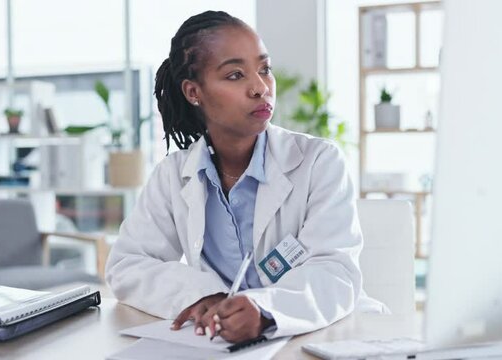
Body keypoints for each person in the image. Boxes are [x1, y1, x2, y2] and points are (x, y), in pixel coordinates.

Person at [105, 10, 384, 344]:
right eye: (236, 75)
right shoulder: (173, 175)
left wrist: (264, 311)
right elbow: (127, 265)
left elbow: (335, 273)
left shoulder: (319, 162)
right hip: (225, 344)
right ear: (194, 92)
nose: (260, 87)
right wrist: (204, 295)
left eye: (264, 69)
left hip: (323, 337)